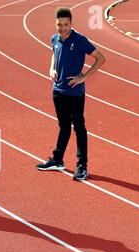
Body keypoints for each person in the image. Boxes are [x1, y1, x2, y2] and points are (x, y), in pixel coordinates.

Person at [36, 7, 105, 180]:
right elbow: (54, 53)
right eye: (60, 25)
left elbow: (101, 58)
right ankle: (57, 159)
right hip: (58, 91)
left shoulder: (80, 40)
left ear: (71, 24)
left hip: (75, 93)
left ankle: (82, 166)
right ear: (56, 24)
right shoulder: (55, 39)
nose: (63, 28)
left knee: (79, 127)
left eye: (66, 25)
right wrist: (51, 69)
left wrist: (84, 77)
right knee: (64, 126)